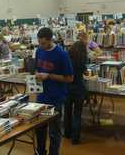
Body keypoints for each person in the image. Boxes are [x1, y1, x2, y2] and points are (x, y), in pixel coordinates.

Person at [35, 27, 73, 155]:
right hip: (41, 97)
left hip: (56, 98)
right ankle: (40, 152)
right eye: (39, 43)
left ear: (50, 40)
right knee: (39, 130)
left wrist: (49, 76)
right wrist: (36, 75)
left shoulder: (62, 54)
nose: (41, 46)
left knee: (54, 132)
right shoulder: (39, 50)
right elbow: (37, 69)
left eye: (44, 43)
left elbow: (69, 78)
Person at [64, 41, 88, 145]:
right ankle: (75, 138)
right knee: (77, 114)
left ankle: (67, 133)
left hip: (67, 88)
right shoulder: (82, 60)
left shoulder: (66, 58)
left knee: (67, 112)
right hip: (79, 88)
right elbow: (85, 72)